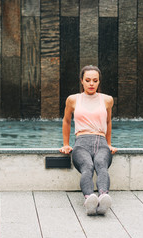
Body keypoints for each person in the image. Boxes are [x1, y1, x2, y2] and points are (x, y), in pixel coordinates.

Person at [59, 65, 117, 216]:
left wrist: (109, 143)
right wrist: (66, 144)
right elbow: (66, 121)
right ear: (82, 81)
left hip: (101, 143)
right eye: (88, 80)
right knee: (88, 166)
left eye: (95, 80)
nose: (91, 84)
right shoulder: (73, 99)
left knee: (100, 164)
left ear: (99, 82)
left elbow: (109, 122)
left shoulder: (107, 100)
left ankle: (103, 196)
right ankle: (89, 199)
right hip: (81, 143)